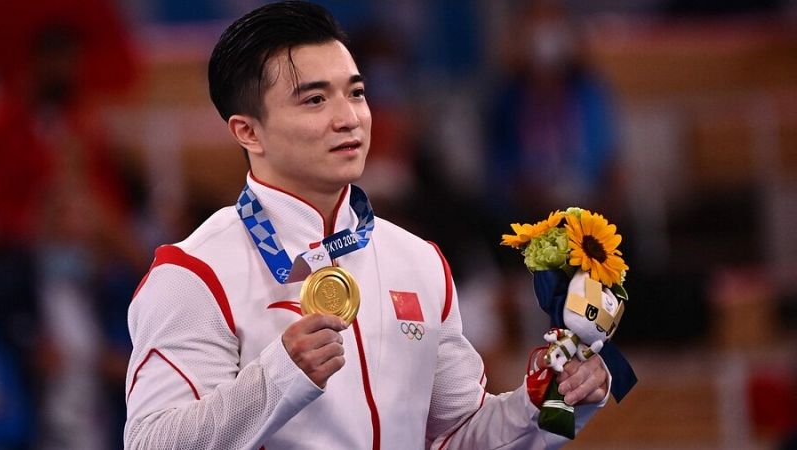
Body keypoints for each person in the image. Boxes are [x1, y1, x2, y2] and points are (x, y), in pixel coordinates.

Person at [124, 2, 610, 449]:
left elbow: (458, 436)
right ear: (248, 131)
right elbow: (151, 442)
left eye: (356, 93)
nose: (348, 118)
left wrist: (559, 401)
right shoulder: (195, 273)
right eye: (315, 100)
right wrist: (278, 378)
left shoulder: (419, 261)